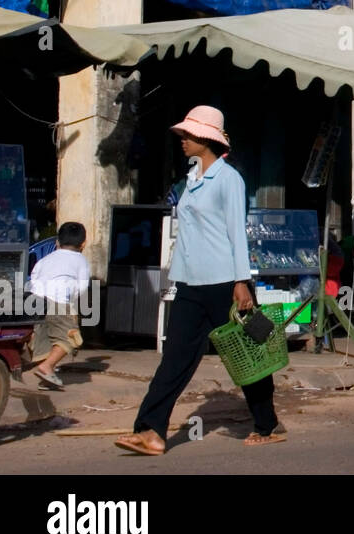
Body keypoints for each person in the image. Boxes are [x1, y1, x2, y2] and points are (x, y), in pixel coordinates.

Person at [115, 106, 284, 456]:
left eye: (189, 136)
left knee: (247, 357)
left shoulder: (229, 179)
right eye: (182, 135)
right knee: (175, 359)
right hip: (190, 282)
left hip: (226, 282)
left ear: (207, 140)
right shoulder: (191, 179)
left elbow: (238, 233)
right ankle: (151, 431)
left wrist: (242, 281)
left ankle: (267, 425)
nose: (183, 141)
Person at [26, 222, 92, 389]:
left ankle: (46, 376)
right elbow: (83, 286)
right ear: (83, 244)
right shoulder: (80, 260)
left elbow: (34, 276)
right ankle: (47, 367)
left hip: (36, 301)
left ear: (57, 242)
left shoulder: (46, 258)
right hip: (60, 302)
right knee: (71, 339)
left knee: (46, 341)